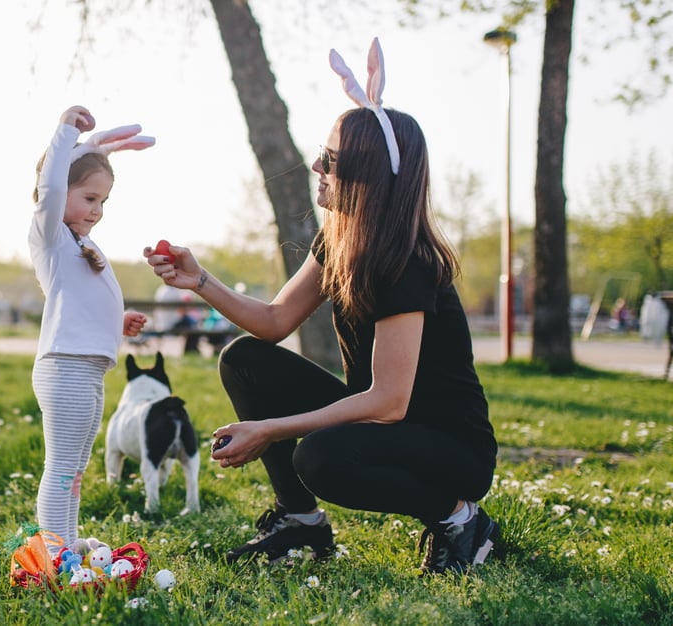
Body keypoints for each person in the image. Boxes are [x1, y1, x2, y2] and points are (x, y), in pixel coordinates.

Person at [146, 39, 498, 575]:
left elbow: (389, 402)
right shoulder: (339, 240)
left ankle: (460, 520)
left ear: (368, 175)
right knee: (244, 359)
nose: (315, 165)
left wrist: (270, 429)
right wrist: (201, 282)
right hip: (384, 422)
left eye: (330, 160)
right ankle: (302, 524)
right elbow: (274, 321)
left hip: (450, 447)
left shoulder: (406, 261)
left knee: (319, 458)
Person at [28, 105, 152, 545]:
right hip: (66, 370)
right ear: (61, 191)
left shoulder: (82, 244)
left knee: (75, 469)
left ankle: (66, 538)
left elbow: (78, 306)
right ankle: (54, 550)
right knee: (62, 468)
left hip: (87, 370)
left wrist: (117, 323)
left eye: (103, 201)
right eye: (89, 198)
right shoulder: (51, 235)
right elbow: (51, 187)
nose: (97, 210)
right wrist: (64, 135)